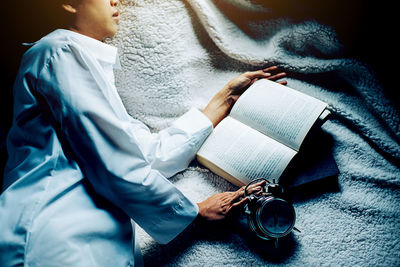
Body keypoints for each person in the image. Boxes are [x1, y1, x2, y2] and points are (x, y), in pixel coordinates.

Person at [0, 0, 287, 266]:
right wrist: (194, 212)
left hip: (84, 241)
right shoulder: (59, 50)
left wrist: (224, 99)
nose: (117, 1)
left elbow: (145, 156)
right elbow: (115, 162)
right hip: (52, 232)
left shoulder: (84, 67)